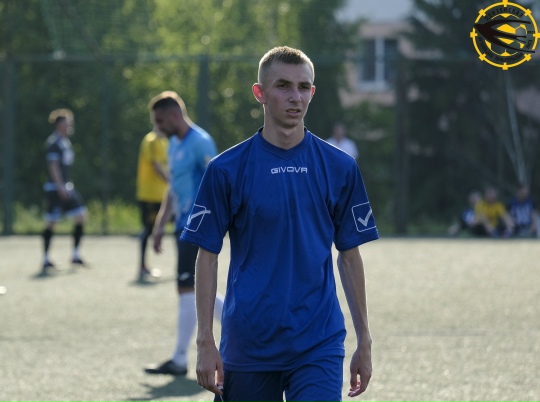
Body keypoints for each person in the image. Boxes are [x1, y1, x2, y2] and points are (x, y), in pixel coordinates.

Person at [181, 46, 379, 401]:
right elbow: (207, 257)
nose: (295, 97)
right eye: (283, 86)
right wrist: (205, 341)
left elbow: (350, 257)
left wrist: (364, 339)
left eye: (303, 87)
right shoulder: (226, 169)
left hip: (318, 342)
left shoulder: (340, 167)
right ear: (260, 93)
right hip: (248, 344)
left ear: (312, 93)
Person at [143, 91, 224, 376]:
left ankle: (179, 359)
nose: (157, 127)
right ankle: (245, 329)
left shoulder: (200, 141)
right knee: (192, 288)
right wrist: (160, 225)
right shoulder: (173, 143)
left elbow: (218, 182)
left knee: (187, 287)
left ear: (175, 115)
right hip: (181, 226)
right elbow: (173, 186)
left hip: (198, 226)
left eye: (160, 121)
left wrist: (213, 223)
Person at [41, 109, 88, 274]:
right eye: (68, 122)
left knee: (81, 216)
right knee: (51, 222)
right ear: (60, 124)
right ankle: (45, 259)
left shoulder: (65, 142)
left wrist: (66, 186)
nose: (70, 125)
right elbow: (53, 166)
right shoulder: (53, 142)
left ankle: (75, 255)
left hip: (67, 187)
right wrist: (60, 186)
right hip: (56, 188)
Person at [135, 126, 169, 282]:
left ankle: (184, 267)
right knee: (148, 229)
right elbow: (156, 166)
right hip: (149, 194)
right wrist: (172, 182)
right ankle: (142, 266)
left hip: (162, 194)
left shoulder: (164, 141)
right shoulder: (151, 140)